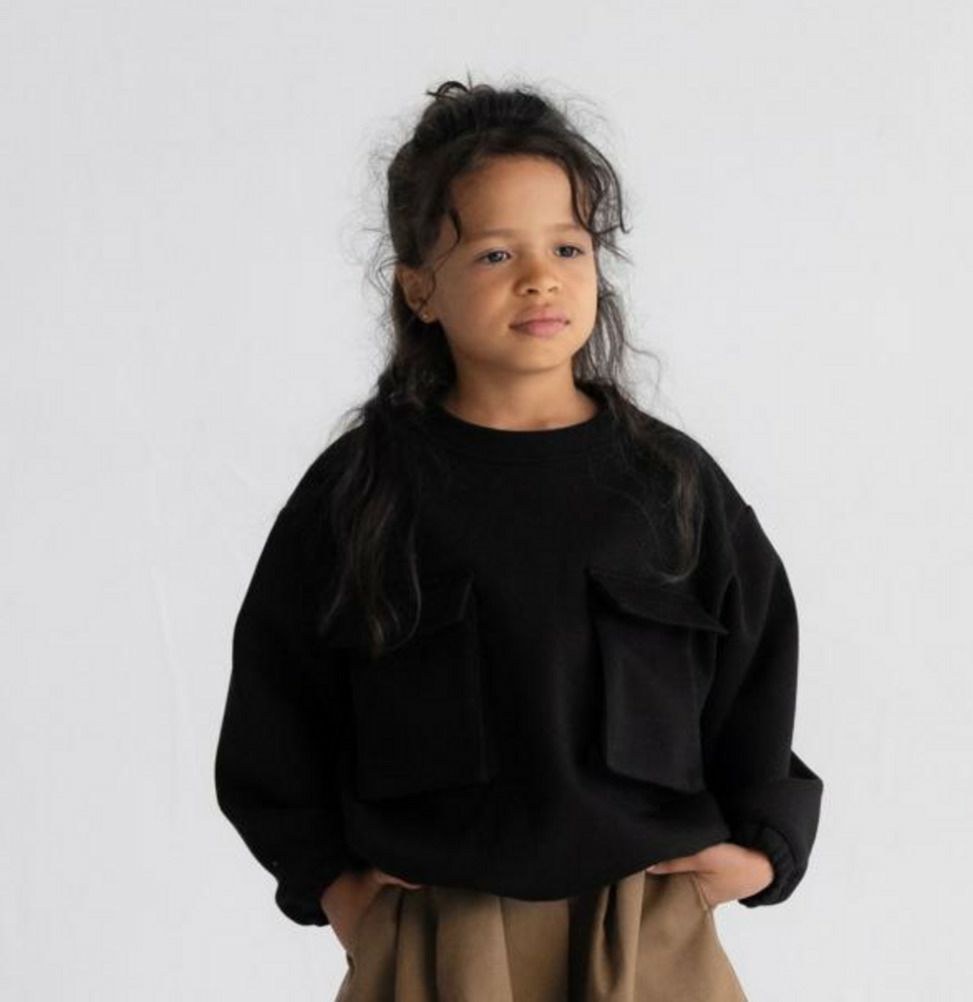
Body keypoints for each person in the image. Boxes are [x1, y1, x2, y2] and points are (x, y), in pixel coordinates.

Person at [214, 76, 824, 1001]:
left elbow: (757, 670)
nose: (541, 277)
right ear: (420, 288)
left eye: (568, 246)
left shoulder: (671, 484)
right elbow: (276, 701)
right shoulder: (364, 490)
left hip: (645, 929)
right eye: (496, 252)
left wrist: (767, 848)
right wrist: (328, 882)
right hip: (439, 938)